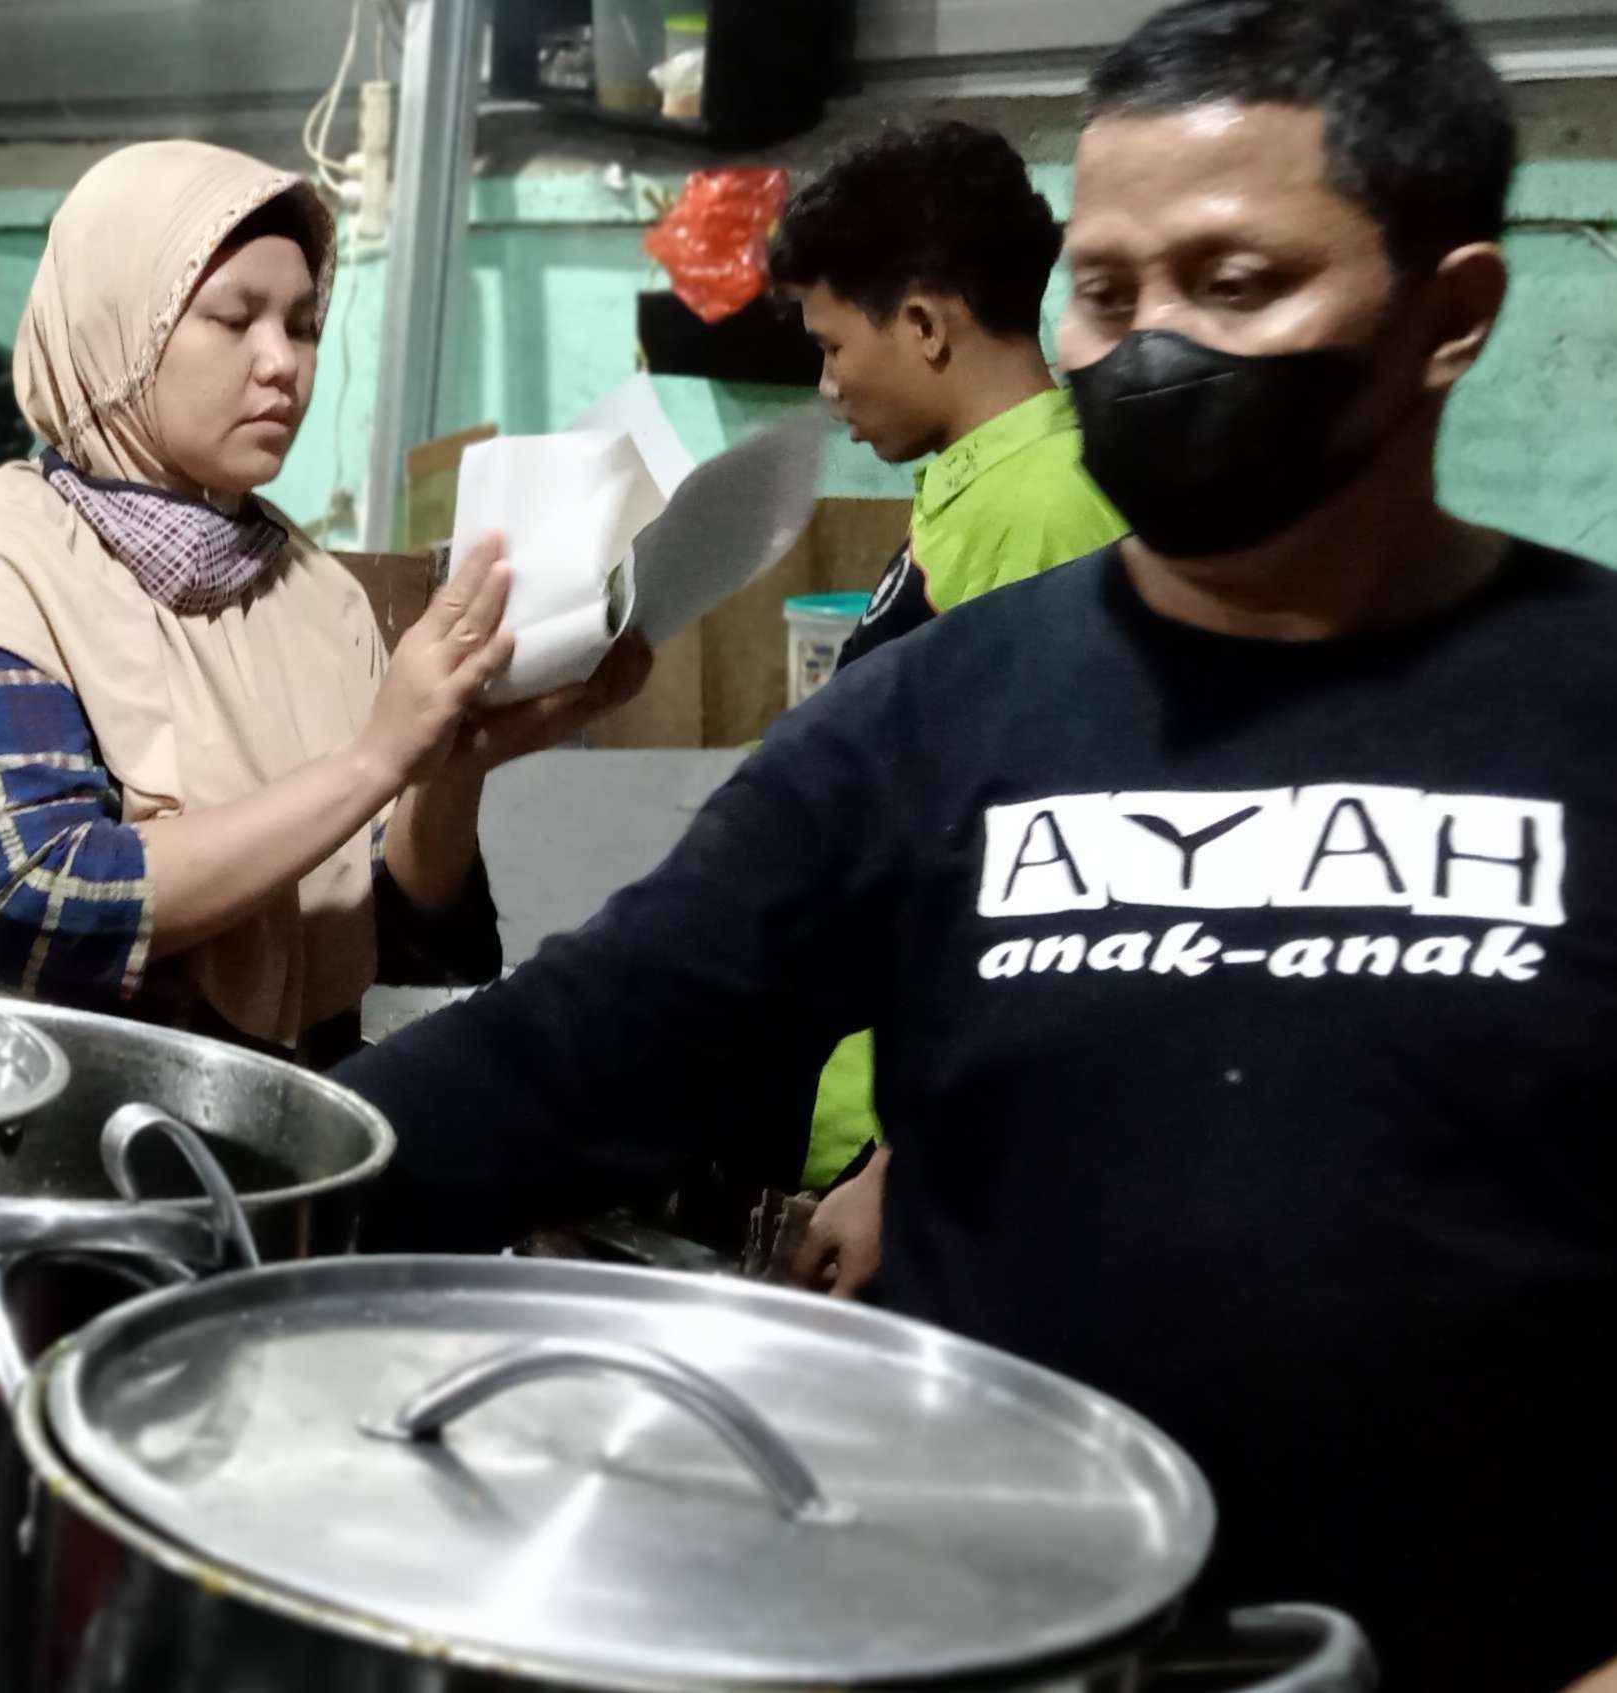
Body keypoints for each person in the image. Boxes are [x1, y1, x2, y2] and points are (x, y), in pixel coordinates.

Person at [339, 2, 1617, 1685]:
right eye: (1104, 289)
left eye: (1235, 286)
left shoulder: (1580, 710)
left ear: (1448, 315)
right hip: (993, 1639)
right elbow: (575, 1056)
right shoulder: (941, 717)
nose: (1147, 347)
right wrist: (216, 1181)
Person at [0, 141, 644, 1062]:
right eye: (233, 319)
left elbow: (407, 945)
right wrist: (376, 760)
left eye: (300, 325)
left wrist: (449, 769)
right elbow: (40, 905)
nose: (282, 364)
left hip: (271, 1140)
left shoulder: (316, 595)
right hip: (37, 1141)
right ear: (118, 332)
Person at [766, 121, 1129, 1292]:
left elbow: (1049, 872)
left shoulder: (1043, 507)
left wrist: (904, 1163)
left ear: (923, 325)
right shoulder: (975, 491)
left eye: (832, 349)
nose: (829, 391)